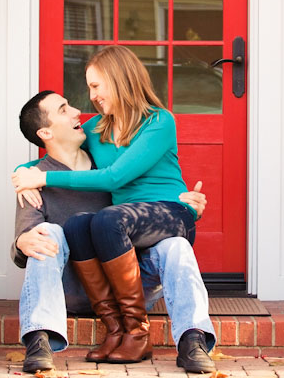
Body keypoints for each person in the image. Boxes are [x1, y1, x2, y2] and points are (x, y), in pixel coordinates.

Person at [12, 46, 203, 364]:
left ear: (119, 79)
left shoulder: (158, 122)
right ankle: (115, 328)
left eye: (96, 85)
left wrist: (42, 180)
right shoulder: (95, 130)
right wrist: (23, 174)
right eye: (89, 87)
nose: (91, 96)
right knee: (77, 225)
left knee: (108, 220)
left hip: (167, 213)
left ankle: (143, 332)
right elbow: (55, 145)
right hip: (124, 224)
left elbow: (114, 178)